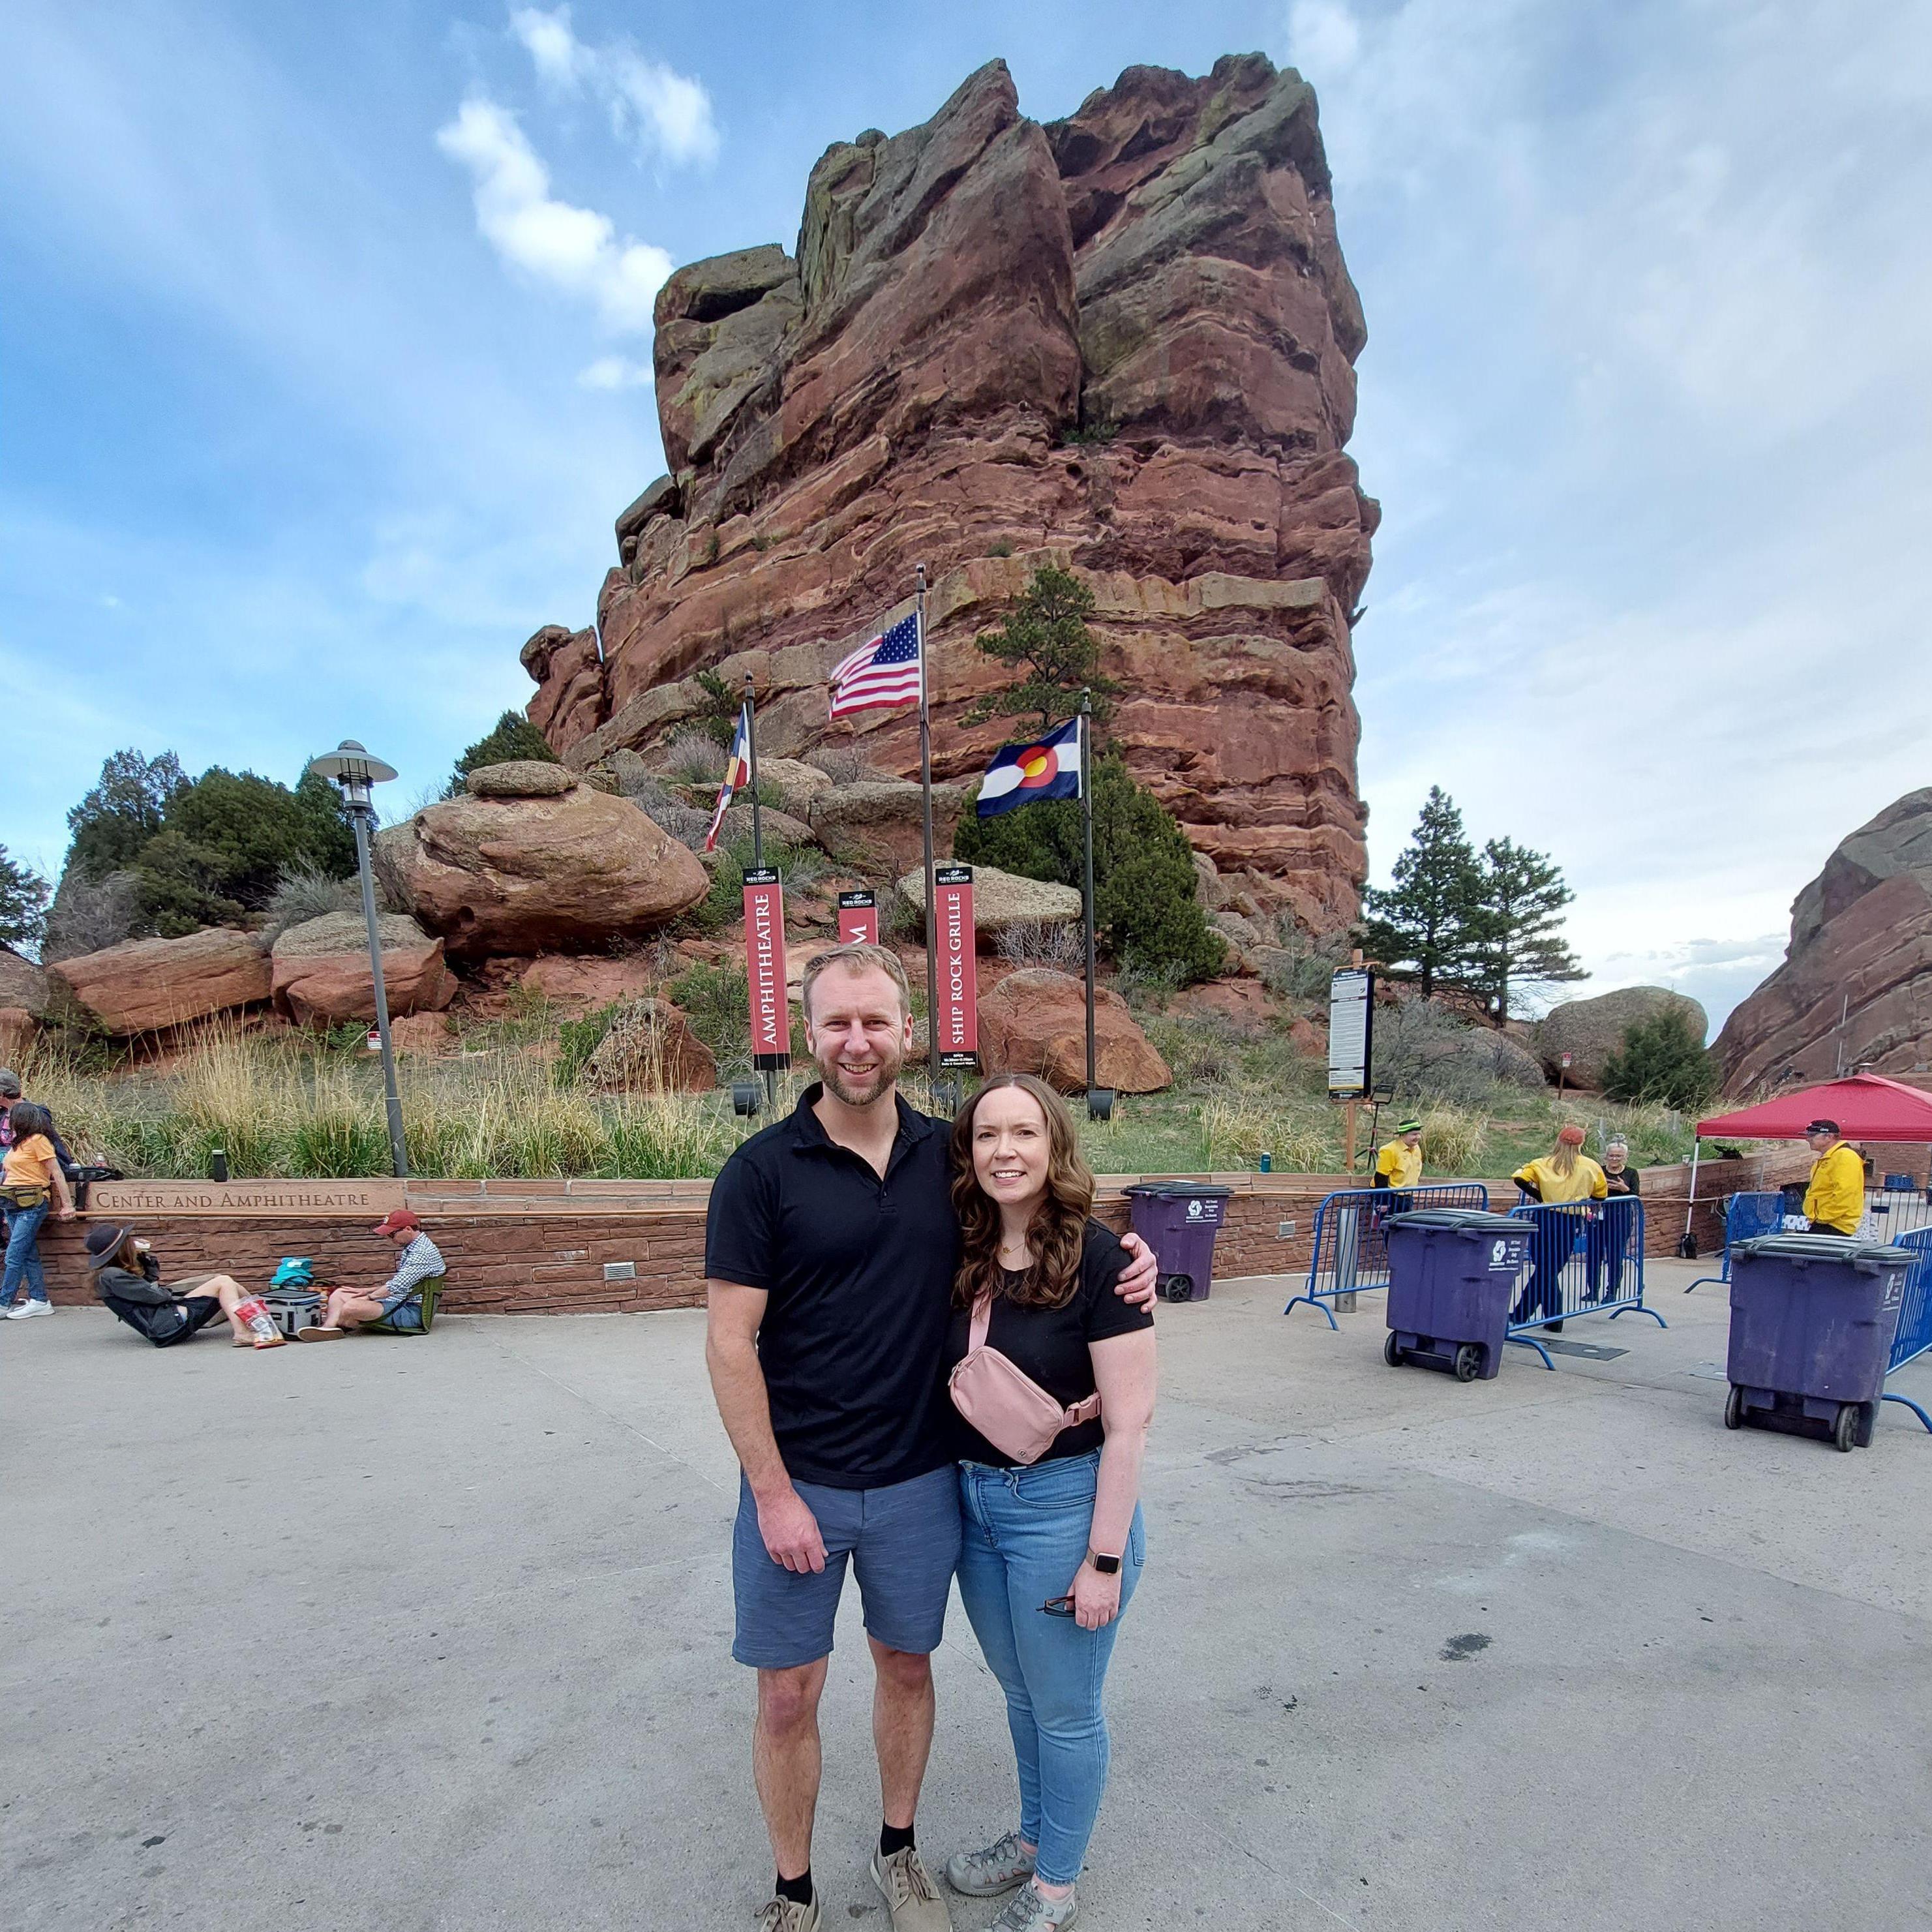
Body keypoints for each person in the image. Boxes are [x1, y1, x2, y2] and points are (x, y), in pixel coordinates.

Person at [702, 942, 1156, 1932]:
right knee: (788, 1694)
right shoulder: (758, 1173)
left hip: (921, 1479)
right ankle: (793, 1889)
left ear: (909, 1031)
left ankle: (898, 1853)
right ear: (806, 1034)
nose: (856, 1040)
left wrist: (1130, 1255)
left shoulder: (943, 1158)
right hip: (800, 1481)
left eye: (875, 1021)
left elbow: (1032, 1202)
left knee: (906, 1669)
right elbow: (730, 1343)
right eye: (836, 1021)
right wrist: (772, 1491)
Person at [941, 1074, 1157, 1932]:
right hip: (975, 1505)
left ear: (1053, 1144)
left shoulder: (1102, 1259)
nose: (1005, 1150)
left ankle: (1056, 1884)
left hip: (1064, 1509)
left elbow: (1131, 1424)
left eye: (1023, 1133)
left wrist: (1102, 1558)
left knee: (1065, 1708)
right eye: (987, 1134)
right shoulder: (961, 1251)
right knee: (1021, 1693)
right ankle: (1032, 1840)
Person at [86, 1222, 277, 1348]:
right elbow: (157, 1296)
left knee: (228, 1283)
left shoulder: (111, 1274)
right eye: (128, 1241)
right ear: (122, 1248)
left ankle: (267, 1324)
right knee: (223, 1282)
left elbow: (149, 1287)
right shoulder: (113, 1276)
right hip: (167, 1325)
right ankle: (244, 1333)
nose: (132, 1242)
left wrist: (143, 1258)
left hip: (165, 1320)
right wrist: (179, 1293)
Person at [1509, 1124, 1607, 1329]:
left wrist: (1540, 1196)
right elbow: (1601, 1195)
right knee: (1550, 1270)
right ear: (1582, 1143)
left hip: (1544, 1217)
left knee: (1546, 1269)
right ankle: (1550, 1319)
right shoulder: (1591, 1166)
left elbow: (1519, 1178)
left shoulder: (1542, 1163)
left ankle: (1528, 1315)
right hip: (1568, 1221)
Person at [297, 1207, 444, 1338]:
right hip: (398, 1302)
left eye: (392, 1234)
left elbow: (395, 1287)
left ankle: (341, 1323)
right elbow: (403, 1283)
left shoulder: (422, 1253)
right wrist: (365, 1291)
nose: (390, 1239)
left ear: (408, 1230)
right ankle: (328, 1329)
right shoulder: (414, 1247)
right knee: (340, 1294)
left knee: (350, 1307)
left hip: (410, 1311)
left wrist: (368, 1297)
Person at [1, 1100, 77, 1320]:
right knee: (27, 1254)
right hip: (12, 1203)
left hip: (31, 1205)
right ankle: (39, 1299)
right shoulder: (18, 1143)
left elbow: (57, 1173)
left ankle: (4, 1302)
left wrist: (67, 1204)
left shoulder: (38, 1141)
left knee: (14, 1255)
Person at [1584, 1136, 1641, 1303]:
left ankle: (1611, 1292)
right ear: (1606, 1156)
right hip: (1598, 1217)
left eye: (1619, 1156)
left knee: (1615, 1255)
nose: (1615, 1159)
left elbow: (1636, 1196)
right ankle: (1593, 1290)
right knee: (1594, 1254)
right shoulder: (1599, 1171)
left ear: (1625, 1157)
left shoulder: (1631, 1173)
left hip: (1620, 1217)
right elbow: (1589, 1190)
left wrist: (1624, 1189)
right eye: (1612, 1155)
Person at [1800, 1119, 1865, 1236]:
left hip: (1834, 1225)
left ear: (1829, 1137)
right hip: (1825, 1223)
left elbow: (1846, 1193)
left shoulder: (1844, 1157)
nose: (1808, 1139)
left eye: (1812, 1135)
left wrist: (1823, 1217)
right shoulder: (1831, 1157)